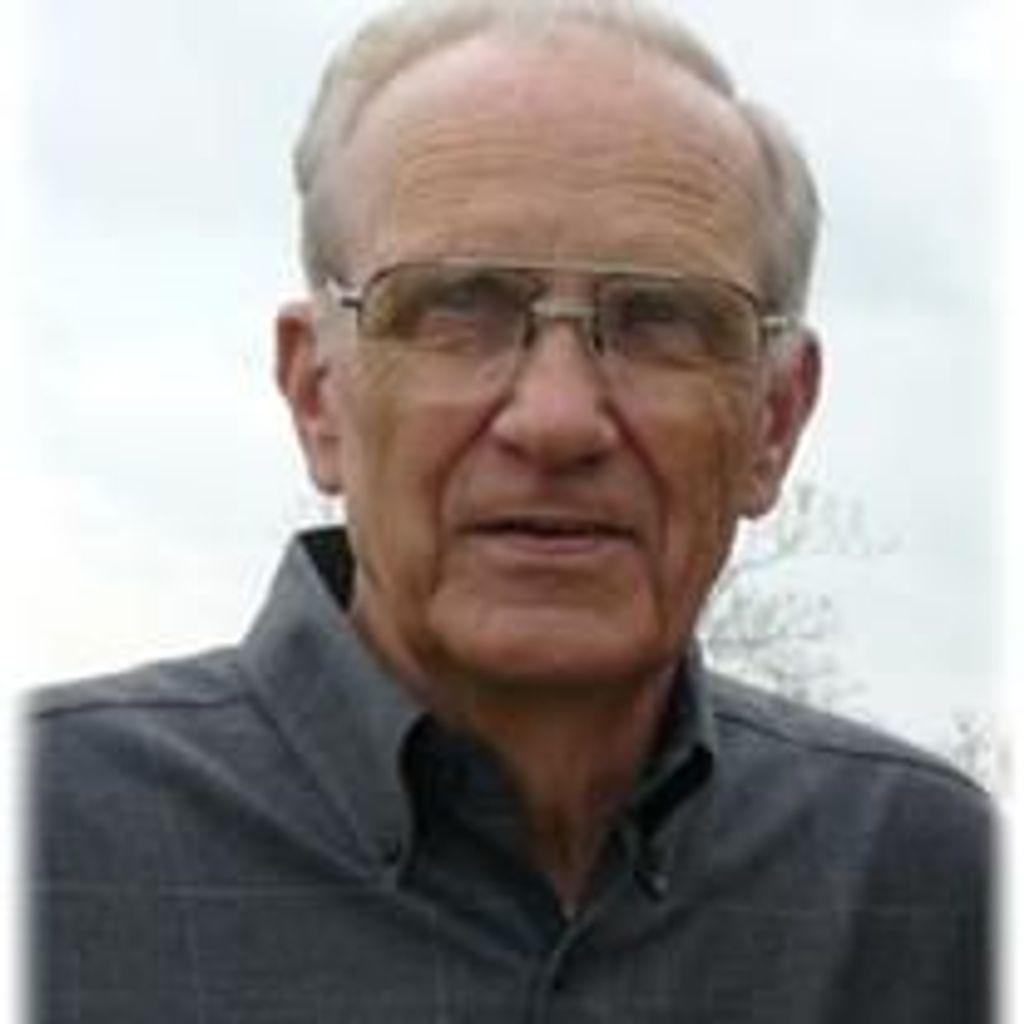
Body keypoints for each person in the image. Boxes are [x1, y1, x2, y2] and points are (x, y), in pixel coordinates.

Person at [31, 1, 992, 1021]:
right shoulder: (43, 845)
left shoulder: (928, 893)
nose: (558, 419)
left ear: (774, 419)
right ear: (318, 397)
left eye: (660, 320)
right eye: (459, 308)